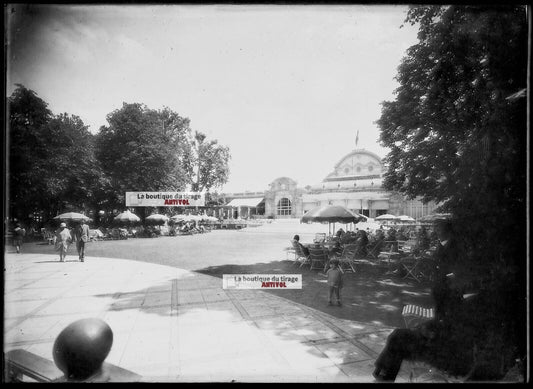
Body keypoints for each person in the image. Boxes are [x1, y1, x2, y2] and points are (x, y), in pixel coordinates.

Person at [372, 219, 494, 382]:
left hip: (450, 352)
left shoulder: (467, 298)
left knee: (398, 337)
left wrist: (430, 329)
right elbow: (448, 320)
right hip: (446, 338)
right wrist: (428, 326)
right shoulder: (466, 294)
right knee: (398, 336)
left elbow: (456, 328)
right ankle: (382, 373)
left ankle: (383, 375)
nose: (435, 230)